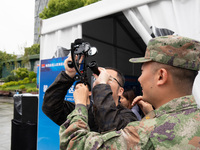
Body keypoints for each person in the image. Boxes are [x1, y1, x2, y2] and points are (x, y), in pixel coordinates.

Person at [59, 35, 200, 149]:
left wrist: (80, 105)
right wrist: (152, 115)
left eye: (142, 71)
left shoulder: (147, 133)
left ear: (161, 76)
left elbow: (74, 143)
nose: (139, 79)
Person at [42, 56, 138, 133]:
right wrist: (68, 75)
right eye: (100, 78)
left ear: (120, 91)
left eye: (109, 79)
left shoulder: (128, 117)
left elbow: (110, 127)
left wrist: (102, 85)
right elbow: (50, 107)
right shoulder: (86, 111)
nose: (102, 81)